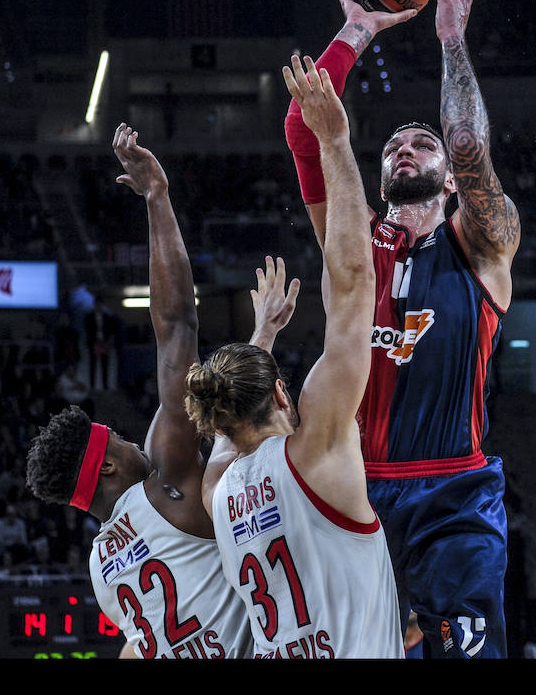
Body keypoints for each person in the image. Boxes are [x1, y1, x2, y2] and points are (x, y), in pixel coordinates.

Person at [283, 0, 521, 659]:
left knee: (459, 651)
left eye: (422, 144)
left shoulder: (481, 245)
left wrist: (451, 42)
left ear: (448, 180)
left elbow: (470, 145)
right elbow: (306, 134)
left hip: (454, 493)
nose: (404, 149)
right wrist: (355, 29)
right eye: (393, 144)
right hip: (357, 491)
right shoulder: (352, 245)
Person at [26, 123, 299, 660]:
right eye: (120, 440)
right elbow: (177, 326)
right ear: (107, 466)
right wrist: (157, 198)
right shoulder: (166, 482)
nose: (134, 441)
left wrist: (263, 335)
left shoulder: (101, 572)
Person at [185, 57, 405, 660]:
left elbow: (229, 437)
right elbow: (358, 281)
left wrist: (260, 338)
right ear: (282, 394)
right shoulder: (320, 446)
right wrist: (333, 142)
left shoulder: (220, 493)